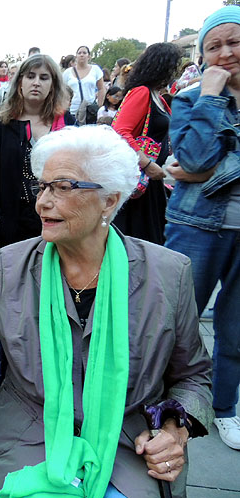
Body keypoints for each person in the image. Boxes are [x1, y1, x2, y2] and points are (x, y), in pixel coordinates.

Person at [0, 125, 213, 498]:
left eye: (62, 188)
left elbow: (194, 376)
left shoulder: (167, 274)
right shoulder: (11, 265)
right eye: (43, 187)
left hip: (129, 443)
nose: (42, 202)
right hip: (31, 436)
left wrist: (174, 428)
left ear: (109, 201)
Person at [165, 5, 240, 451]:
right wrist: (211, 96)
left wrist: (212, 171)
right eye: (214, 46)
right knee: (175, 319)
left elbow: (195, 167)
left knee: (236, 327)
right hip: (195, 225)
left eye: (234, 42)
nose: (225, 53)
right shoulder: (191, 98)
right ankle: (162, 399)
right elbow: (192, 157)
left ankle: (225, 407)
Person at [0, 54, 71, 258]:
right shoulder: (1, 127)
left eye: (44, 78)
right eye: (30, 76)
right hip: (9, 229)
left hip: (58, 226)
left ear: (53, 85)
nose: (36, 82)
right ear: (20, 82)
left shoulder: (66, 126)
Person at [112, 42, 181, 245]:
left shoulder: (157, 97)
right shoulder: (142, 92)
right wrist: (148, 164)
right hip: (139, 180)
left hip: (149, 182)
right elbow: (120, 131)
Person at [63, 45, 106, 121]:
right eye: (79, 53)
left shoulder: (95, 70)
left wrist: (100, 106)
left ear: (89, 56)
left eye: (84, 53)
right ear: (76, 56)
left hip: (89, 110)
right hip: (72, 110)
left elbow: (101, 88)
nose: (82, 55)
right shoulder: (67, 72)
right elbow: (62, 90)